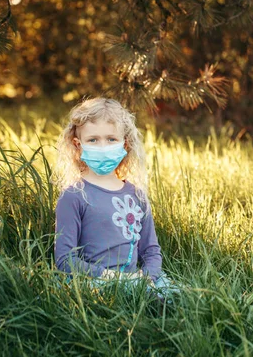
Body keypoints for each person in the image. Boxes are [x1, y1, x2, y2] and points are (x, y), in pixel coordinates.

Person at [54, 97, 176, 295]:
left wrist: (147, 278)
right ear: (78, 145)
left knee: (179, 297)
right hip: (93, 281)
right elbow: (65, 260)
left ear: (125, 144)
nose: (103, 147)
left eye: (111, 139)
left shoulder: (137, 196)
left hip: (137, 279)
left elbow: (151, 251)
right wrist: (115, 279)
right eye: (93, 140)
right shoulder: (74, 196)